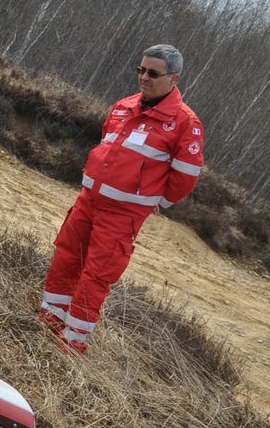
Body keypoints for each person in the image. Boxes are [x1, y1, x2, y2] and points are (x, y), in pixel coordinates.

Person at [38, 45, 205, 353]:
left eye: (153, 73)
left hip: (122, 214)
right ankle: (50, 317)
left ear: (174, 78)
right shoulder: (124, 105)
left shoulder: (185, 123)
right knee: (66, 256)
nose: (144, 77)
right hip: (89, 200)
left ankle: (74, 340)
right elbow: (107, 145)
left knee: (96, 275)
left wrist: (154, 201)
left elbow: (185, 178)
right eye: (140, 70)